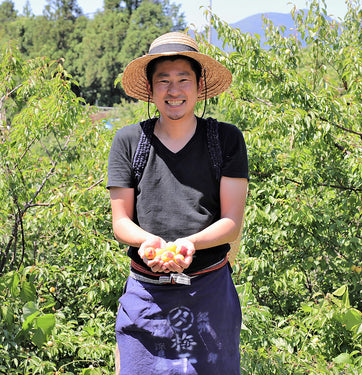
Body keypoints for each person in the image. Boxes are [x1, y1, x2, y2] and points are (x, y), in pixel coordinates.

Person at [107, 31, 249, 374]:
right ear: (151, 89)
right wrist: (147, 242)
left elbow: (232, 222)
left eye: (184, 80)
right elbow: (120, 221)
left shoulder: (226, 140)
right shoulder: (129, 141)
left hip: (209, 294)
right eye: (164, 81)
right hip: (146, 297)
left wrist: (190, 244)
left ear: (199, 86)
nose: (174, 91)